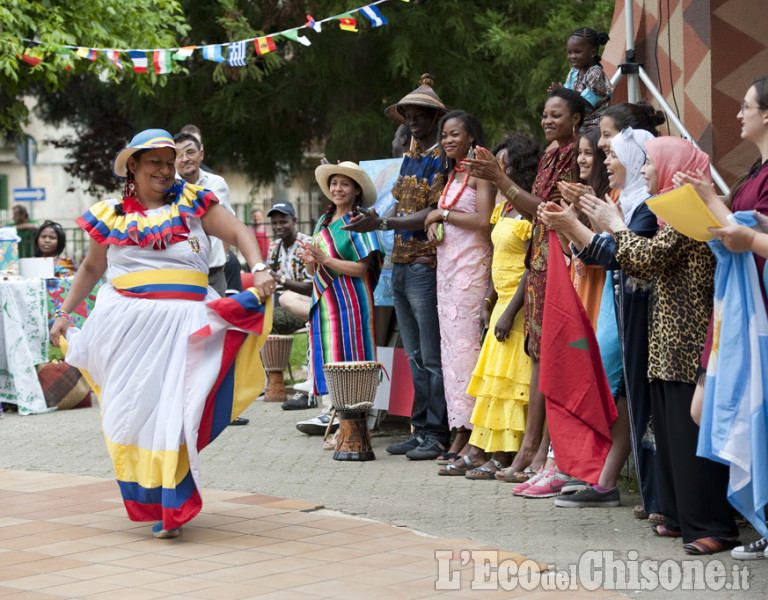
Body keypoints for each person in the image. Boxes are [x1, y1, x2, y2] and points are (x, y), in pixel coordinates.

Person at [49, 129, 274, 539]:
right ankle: (152, 496)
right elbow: (90, 269)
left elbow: (241, 233)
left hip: (187, 330)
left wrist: (258, 268)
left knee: (176, 416)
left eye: (170, 162)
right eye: (155, 162)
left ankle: (174, 505)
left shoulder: (193, 203)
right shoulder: (111, 214)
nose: (166, 170)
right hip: (129, 332)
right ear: (132, 166)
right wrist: (64, 313)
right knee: (132, 415)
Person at [580, 140, 739, 555]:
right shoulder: (672, 214)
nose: (646, 169)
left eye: (651, 162)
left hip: (688, 342)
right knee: (670, 439)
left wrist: (614, 224)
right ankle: (677, 515)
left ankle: (713, 526)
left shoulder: (690, 213)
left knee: (690, 442)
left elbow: (645, 259)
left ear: (674, 166)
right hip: (667, 344)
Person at [464, 87, 586, 489]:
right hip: (537, 262)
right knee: (538, 353)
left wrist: (499, 178)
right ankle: (530, 447)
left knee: (551, 354)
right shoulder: (552, 153)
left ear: (576, 120)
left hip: (560, 260)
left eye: (556, 115)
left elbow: (548, 211)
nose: (547, 121)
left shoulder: (572, 155)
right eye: (544, 115)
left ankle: (541, 449)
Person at [676, 75, 768, 560]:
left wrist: (751, 239)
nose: (738, 114)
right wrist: (707, 199)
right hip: (735, 310)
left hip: (759, 313)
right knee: (714, 412)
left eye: (747, 106)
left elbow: (748, 233)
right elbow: (735, 224)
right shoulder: (756, 170)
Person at [342, 74, 450, 460]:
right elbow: (400, 208)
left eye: (420, 114)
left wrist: (383, 223)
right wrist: (375, 216)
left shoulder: (443, 159)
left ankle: (438, 433)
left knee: (432, 354)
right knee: (416, 355)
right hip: (400, 264)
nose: (413, 121)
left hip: (425, 264)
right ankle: (420, 429)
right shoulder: (410, 159)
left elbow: (431, 212)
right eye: (408, 115)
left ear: (435, 117)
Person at [459, 135, 541, 480]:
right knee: (495, 383)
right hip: (500, 301)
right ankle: (484, 450)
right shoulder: (502, 206)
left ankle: (507, 454)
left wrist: (509, 310)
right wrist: (489, 302)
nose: (497, 169)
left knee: (513, 384)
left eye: (503, 165)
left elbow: (532, 262)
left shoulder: (527, 206)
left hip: (520, 304)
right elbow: (497, 256)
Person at [419, 110, 494, 473]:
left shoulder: (481, 168)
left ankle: (473, 433)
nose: (448, 140)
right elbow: (446, 216)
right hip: (448, 273)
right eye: (444, 135)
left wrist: (440, 216)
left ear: (471, 136)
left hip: (472, 273)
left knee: (468, 354)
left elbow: (483, 220)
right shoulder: (452, 173)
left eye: (455, 134)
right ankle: (459, 429)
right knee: (451, 357)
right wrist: (435, 225)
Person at [296, 162, 382, 433]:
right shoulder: (324, 221)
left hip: (352, 300)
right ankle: (333, 415)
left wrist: (325, 259)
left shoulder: (360, 221)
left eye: (345, 184)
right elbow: (314, 269)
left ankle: (355, 422)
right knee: (329, 354)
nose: (338, 189)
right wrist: (311, 260)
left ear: (357, 190)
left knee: (352, 354)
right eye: (334, 183)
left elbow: (361, 269)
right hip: (324, 300)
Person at [174, 132, 249, 425]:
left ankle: (223, 408)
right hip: (183, 279)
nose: (184, 158)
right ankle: (187, 406)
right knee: (186, 342)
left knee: (217, 341)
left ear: (201, 154)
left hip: (214, 274)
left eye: (190, 151)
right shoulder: (168, 189)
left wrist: (227, 262)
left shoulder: (215, 184)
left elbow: (228, 227)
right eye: (178, 154)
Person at [264, 201, 315, 411]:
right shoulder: (274, 248)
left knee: (272, 315)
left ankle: (301, 385)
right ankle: (274, 382)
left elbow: (312, 288)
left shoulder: (307, 243)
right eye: (275, 223)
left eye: (283, 221)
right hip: (283, 306)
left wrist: (282, 280)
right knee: (261, 321)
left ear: (294, 220)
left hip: (304, 303)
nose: (278, 227)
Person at [561, 27, 612, 129]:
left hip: (594, 129)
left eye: (577, 52)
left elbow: (586, 103)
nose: (572, 56)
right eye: (569, 52)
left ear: (593, 52)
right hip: (578, 127)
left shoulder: (596, 74)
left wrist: (565, 95)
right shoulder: (573, 72)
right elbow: (567, 95)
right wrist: (559, 93)